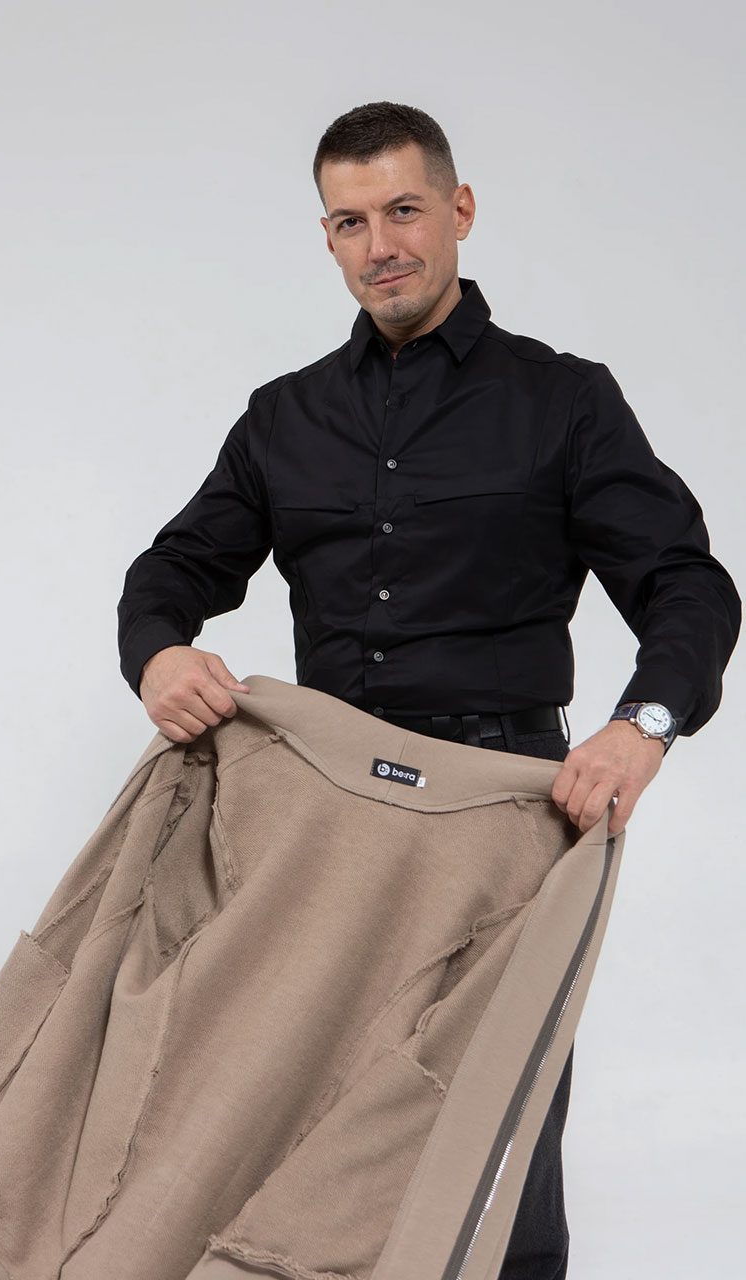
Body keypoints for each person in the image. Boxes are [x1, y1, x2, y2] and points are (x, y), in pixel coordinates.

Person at [116, 102, 740, 1280]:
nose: (380, 244)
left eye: (402, 209)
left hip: (504, 808)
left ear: (458, 210)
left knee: (495, 1123)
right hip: (319, 814)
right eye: (349, 221)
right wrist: (158, 650)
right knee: (301, 1115)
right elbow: (174, 569)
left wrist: (641, 725)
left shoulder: (562, 400)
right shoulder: (283, 415)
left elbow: (684, 584)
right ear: (326, 237)